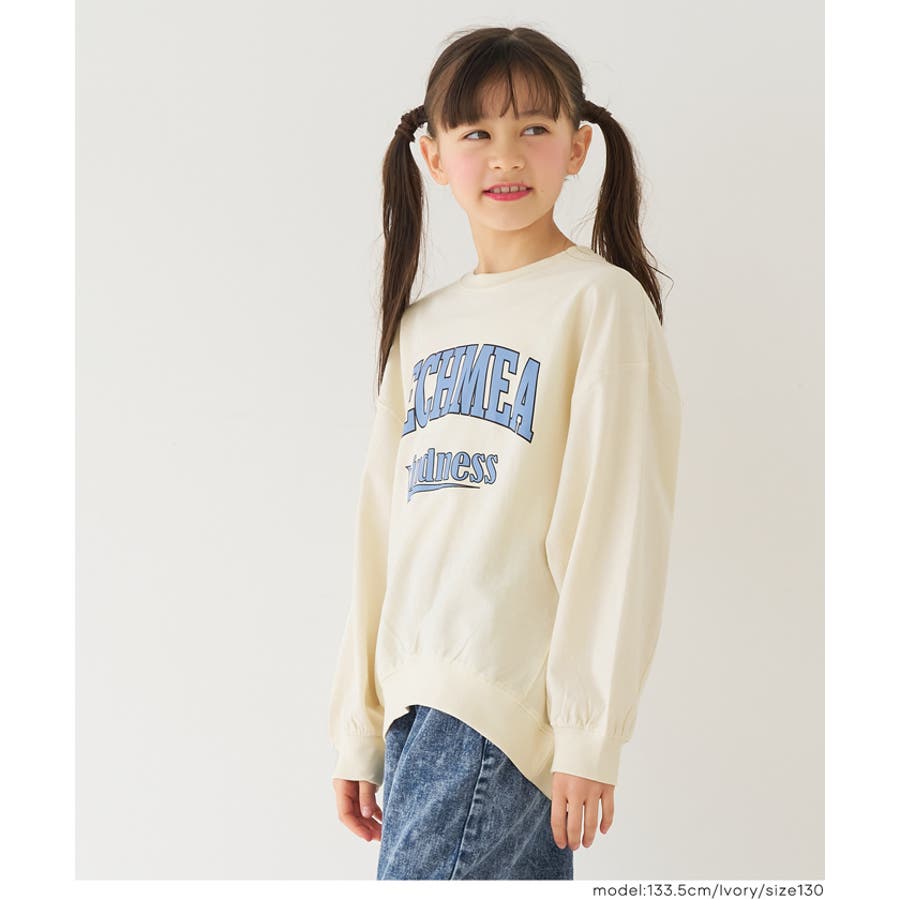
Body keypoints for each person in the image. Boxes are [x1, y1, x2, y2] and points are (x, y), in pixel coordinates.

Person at [327, 24, 683, 880]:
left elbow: (617, 526)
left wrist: (589, 729)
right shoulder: (422, 324)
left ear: (578, 146)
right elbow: (381, 533)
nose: (506, 155)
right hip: (418, 705)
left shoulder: (599, 304)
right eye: (477, 131)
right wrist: (359, 723)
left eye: (534, 127)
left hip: (502, 705)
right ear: (432, 155)